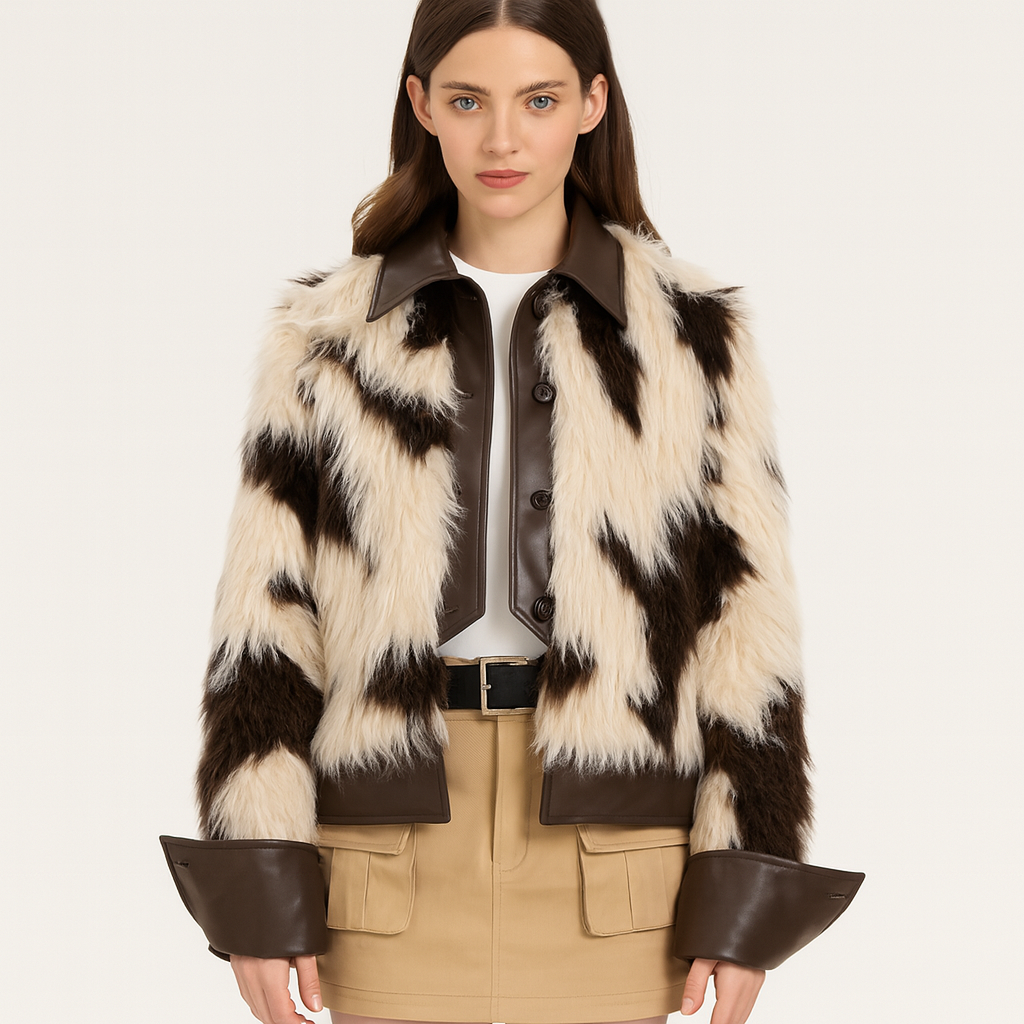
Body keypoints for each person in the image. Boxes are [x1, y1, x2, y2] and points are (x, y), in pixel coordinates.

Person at [160, 2, 863, 1023]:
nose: (501, 138)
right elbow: (265, 628)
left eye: (537, 100)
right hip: (383, 859)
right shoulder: (325, 337)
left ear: (592, 104)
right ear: (420, 106)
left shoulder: (692, 338)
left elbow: (746, 630)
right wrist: (258, 880)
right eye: (466, 101)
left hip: (617, 864)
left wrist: (746, 879)